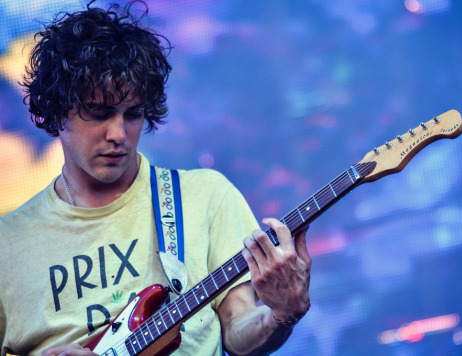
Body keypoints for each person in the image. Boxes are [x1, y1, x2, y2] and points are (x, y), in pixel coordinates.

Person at [0, 1, 311, 355]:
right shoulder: (6, 245)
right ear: (57, 112)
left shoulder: (206, 195)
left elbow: (239, 332)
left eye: (132, 114)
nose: (118, 133)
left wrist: (281, 315)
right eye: (99, 114)